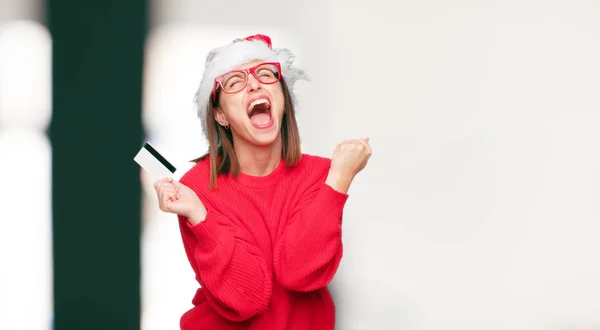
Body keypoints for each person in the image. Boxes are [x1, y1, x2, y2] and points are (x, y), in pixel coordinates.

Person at [153, 34, 372, 330]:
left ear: (283, 100)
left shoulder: (323, 175)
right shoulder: (196, 188)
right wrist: (200, 216)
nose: (255, 84)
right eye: (234, 82)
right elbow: (246, 298)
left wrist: (338, 181)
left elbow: (299, 272)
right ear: (220, 116)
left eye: (266, 74)